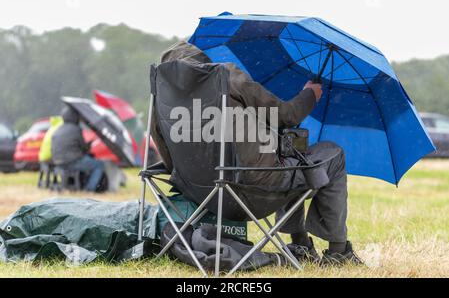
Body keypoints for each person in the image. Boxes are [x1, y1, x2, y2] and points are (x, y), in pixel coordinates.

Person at [154, 41, 363, 267]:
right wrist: (310, 94)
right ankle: (338, 251)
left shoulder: (161, 97)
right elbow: (287, 115)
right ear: (203, 63)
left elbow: (167, 158)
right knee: (332, 154)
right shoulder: (225, 76)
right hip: (252, 193)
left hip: (206, 197)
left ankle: (301, 244)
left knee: (288, 154)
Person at [51, 106, 105, 192]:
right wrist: (89, 145)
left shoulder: (58, 129)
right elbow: (83, 148)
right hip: (73, 161)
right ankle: (89, 189)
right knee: (99, 165)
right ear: (75, 117)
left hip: (57, 162)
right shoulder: (76, 129)